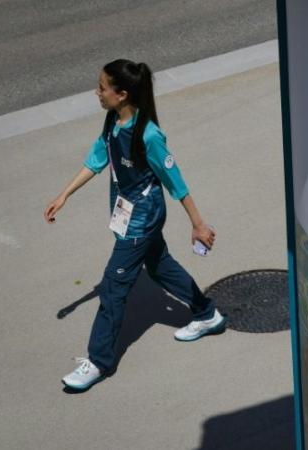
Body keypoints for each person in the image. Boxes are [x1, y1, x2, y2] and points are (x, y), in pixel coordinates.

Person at [44, 59, 226, 391]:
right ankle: (207, 314)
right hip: (128, 211)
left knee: (113, 287)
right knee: (158, 265)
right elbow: (97, 159)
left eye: (102, 87)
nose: (96, 92)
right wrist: (64, 195)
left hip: (142, 217)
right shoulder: (113, 120)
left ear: (122, 93)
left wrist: (198, 224)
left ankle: (98, 361)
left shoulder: (149, 135)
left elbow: (176, 181)